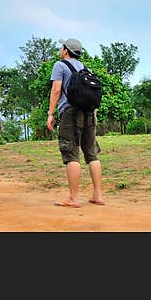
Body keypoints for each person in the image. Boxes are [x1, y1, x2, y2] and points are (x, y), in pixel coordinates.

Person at [46, 37, 105, 208]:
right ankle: (98, 195)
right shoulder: (85, 68)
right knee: (92, 153)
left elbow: (56, 89)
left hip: (71, 112)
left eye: (61, 47)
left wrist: (50, 113)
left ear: (65, 50)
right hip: (89, 113)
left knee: (71, 152)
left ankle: (73, 197)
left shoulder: (60, 65)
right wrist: (93, 113)